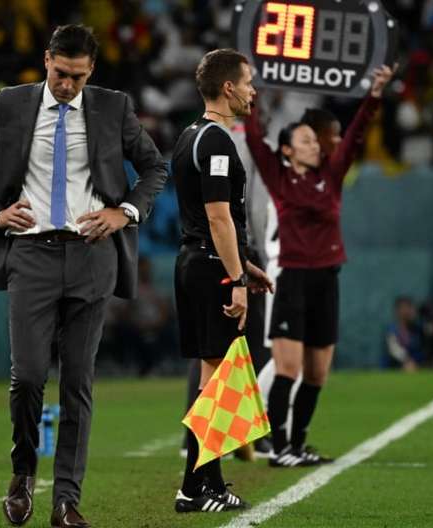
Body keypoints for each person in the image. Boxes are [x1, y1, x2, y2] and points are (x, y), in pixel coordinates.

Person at [0, 24, 167, 528]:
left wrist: (126, 213)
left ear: (91, 71)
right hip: (30, 256)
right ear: (46, 60)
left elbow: (154, 167)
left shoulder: (113, 107)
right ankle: (22, 472)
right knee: (27, 376)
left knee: (78, 383)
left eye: (78, 76)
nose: (68, 85)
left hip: (93, 257)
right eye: (61, 73)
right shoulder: (10, 103)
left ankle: (66, 501)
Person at [244, 65, 394, 467]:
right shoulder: (278, 177)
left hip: (328, 279)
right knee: (288, 368)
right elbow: (256, 138)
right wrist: (253, 95)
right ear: (288, 149)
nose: (315, 145)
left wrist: (375, 93)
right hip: (292, 279)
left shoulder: (332, 175)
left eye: (315, 140)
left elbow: (358, 130)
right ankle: (278, 447)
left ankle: (297, 442)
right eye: (306, 140)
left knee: (317, 374)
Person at [171, 48, 272, 514]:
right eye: (248, 81)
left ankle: (205, 483)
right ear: (228, 87)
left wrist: (243, 265)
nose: (253, 90)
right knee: (216, 383)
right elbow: (218, 216)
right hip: (211, 269)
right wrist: (235, 278)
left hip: (197, 262)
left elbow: (206, 219)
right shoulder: (216, 142)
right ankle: (194, 487)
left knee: (216, 379)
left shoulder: (189, 135)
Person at [383, 296, 423, 370]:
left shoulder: (418, 329)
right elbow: (394, 349)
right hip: (395, 368)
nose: (407, 311)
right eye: (404, 308)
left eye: (409, 308)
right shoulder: (391, 330)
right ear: (397, 311)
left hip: (417, 368)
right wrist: (407, 361)